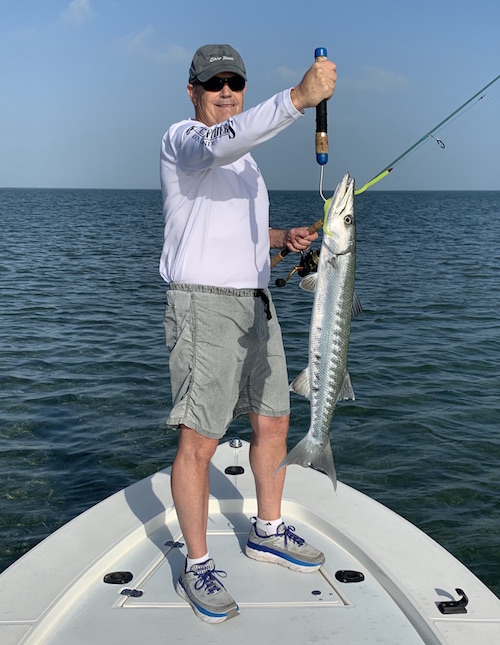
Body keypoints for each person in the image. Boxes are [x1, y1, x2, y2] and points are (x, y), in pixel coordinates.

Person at [160, 44, 337, 623]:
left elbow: (236, 226)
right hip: (203, 305)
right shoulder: (185, 139)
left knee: (274, 419)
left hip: (257, 301)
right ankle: (198, 564)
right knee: (201, 439)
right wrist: (299, 99)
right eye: (215, 83)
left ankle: (267, 529)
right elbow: (222, 142)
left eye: (235, 82)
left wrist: (282, 237)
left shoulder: (244, 162)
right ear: (193, 91)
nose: (226, 91)